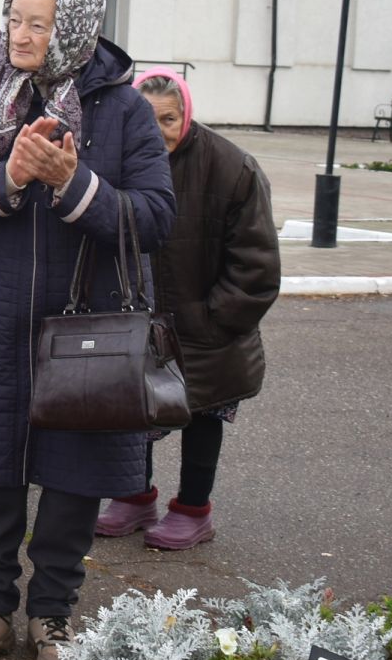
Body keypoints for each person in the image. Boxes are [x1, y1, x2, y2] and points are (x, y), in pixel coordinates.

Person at [0, 0, 173, 660]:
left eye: (40, 23)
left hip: (85, 329)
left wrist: (71, 182)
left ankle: (54, 609)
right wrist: (11, 178)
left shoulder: (121, 110)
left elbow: (155, 218)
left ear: (77, 27)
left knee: (72, 477)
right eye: (16, 19)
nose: (21, 36)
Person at [95, 69, 279, 550]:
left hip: (207, 328)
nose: (159, 131)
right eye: (147, 119)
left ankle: (194, 510)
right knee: (135, 413)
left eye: (169, 119)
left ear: (187, 115)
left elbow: (257, 266)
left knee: (202, 418)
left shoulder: (232, 167)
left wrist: (212, 318)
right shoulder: (120, 162)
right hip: (141, 320)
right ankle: (136, 497)